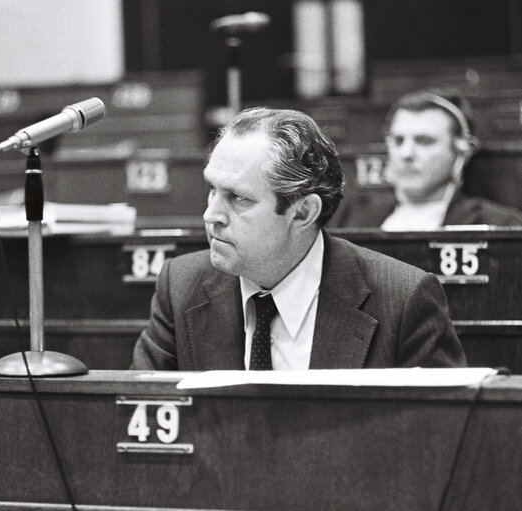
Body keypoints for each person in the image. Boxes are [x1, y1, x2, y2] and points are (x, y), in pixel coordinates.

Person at [130, 107, 466, 371]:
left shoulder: (403, 301)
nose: (211, 214)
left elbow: (438, 442)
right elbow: (141, 423)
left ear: (303, 213)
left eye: (238, 198)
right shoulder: (181, 287)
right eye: (212, 191)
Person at [330, 90, 522, 229]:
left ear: (462, 151)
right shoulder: (349, 217)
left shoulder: (498, 224)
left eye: (424, 141)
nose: (406, 154)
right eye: (398, 141)